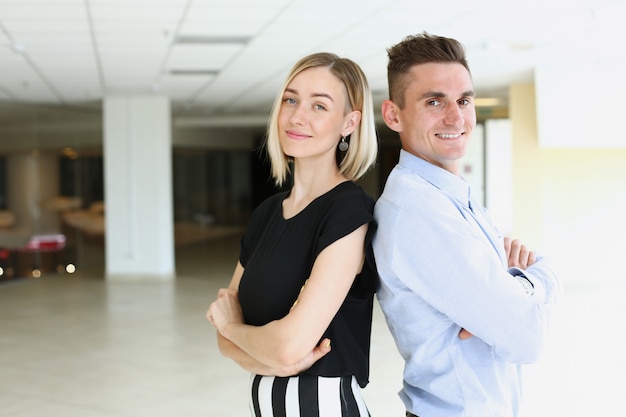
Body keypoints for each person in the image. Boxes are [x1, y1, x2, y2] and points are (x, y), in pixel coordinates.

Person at [373, 32, 560, 417]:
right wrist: (528, 283)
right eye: (434, 101)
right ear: (393, 114)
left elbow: (520, 313)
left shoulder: (451, 195)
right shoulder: (417, 211)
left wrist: (511, 292)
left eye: (464, 100)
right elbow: (526, 338)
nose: (456, 117)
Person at [207, 52, 379, 416]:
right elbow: (224, 340)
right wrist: (268, 358)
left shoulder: (347, 210)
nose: (297, 116)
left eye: (320, 106)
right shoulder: (266, 214)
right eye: (291, 99)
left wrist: (236, 329)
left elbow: (282, 344)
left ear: (349, 122)